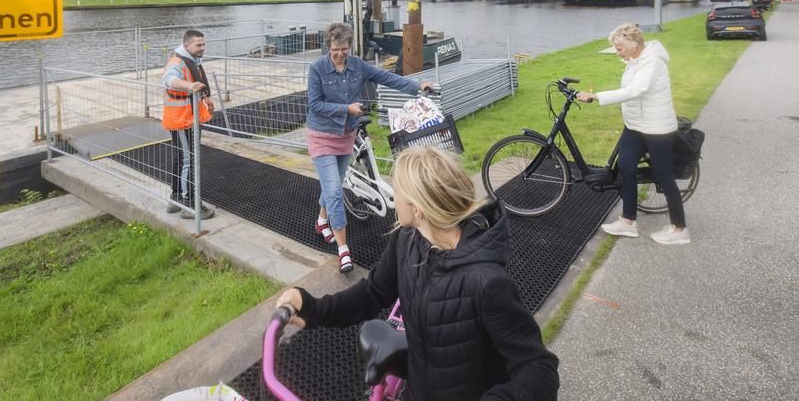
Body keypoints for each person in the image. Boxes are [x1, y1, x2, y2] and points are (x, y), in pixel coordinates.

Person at [275, 147, 560, 400]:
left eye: (396, 189)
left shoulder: (488, 283)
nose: (392, 195)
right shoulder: (408, 239)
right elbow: (372, 292)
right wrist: (313, 308)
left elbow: (539, 368)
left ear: (418, 209)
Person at [307, 22, 432, 273]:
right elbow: (315, 105)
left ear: (350, 47)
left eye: (344, 49)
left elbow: (386, 77)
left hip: (345, 135)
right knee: (333, 191)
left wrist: (417, 86)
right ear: (328, 47)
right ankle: (343, 250)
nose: (340, 54)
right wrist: (346, 109)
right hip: (321, 134)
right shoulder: (317, 69)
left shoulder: (358, 66)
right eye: (335, 50)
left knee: (334, 184)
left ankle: (322, 220)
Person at [577, 23, 689, 244]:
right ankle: (628, 222)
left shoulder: (652, 62)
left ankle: (679, 229)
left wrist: (596, 96)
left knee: (664, 176)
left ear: (634, 45)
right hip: (635, 126)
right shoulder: (633, 61)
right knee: (625, 169)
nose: (616, 51)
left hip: (656, 128)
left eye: (619, 47)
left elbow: (636, 90)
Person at [162, 29, 215, 220]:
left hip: (188, 118)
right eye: (198, 45)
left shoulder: (192, 60)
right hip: (182, 120)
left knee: (182, 159)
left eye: (204, 44)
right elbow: (168, 80)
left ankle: (175, 198)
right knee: (188, 161)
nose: (203, 48)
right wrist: (189, 86)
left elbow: (198, 80)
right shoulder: (178, 63)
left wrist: (205, 97)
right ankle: (189, 204)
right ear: (187, 46)